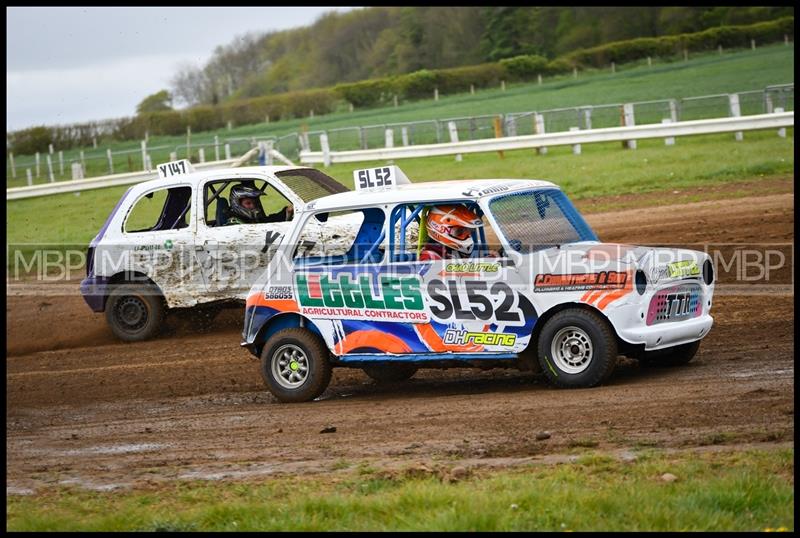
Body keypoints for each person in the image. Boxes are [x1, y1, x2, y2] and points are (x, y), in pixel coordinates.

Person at [419, 204, 484, 261]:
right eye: (459, 231)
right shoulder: (429, 258)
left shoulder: (454, 249)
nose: (468, 235)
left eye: (469, 230)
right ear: (440, 229)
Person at [226, 184, 293, 225]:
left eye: (254, 203)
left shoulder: (251, 219)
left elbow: (268, 221)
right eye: (248, 203)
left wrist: (286, 211)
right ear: (237, 203)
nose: (253, 206)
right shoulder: (234, 224)